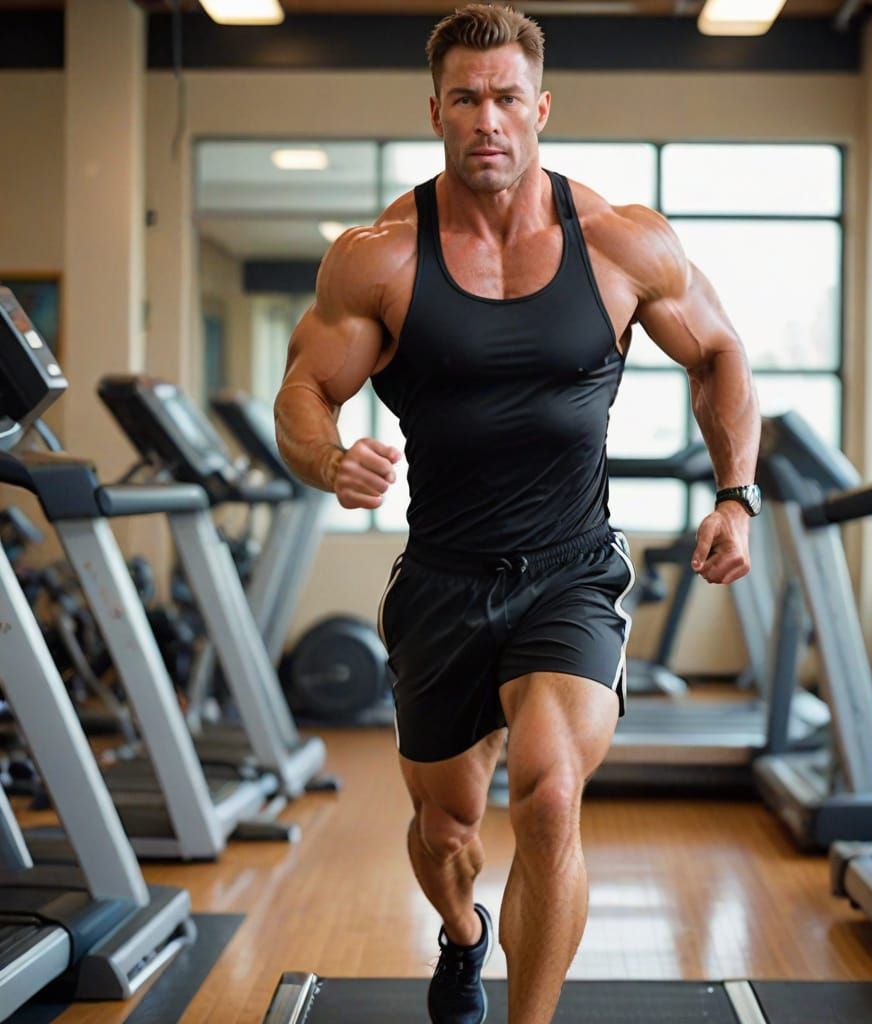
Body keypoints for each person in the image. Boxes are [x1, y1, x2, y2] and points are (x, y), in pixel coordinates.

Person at [274, 5, 760, 1022]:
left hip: (571, 572)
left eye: (505, 98)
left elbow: (719, 352)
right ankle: (461, 933)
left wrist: (734, 494)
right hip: (442, 581)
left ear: (539, 107)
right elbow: (303, 391)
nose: (486, 119)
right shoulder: (380, 257)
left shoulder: (625, 243)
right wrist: (328, 459)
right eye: (465, 99)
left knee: (546, 790)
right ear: (437, 111)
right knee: (446, 832)